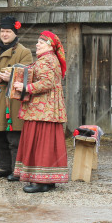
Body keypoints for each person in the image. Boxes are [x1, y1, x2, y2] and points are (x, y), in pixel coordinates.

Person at [12, 30, 68, 193]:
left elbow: (47, 83)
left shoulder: (45, 60)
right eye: (37, 42)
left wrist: (26, 87)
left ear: (49, 45)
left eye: (41, 42)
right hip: (49, 109)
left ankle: (41, 181)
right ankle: (47, 180)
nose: (37, 44)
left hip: (42, 110)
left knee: (40, 143)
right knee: (48, 143)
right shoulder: (52, 59)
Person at [0, 15, 33, 181]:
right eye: (3, 31)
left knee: (14, 137)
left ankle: (16, 170)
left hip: (13, 99)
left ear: (15, 33)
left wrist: (8, 76)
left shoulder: (24, 52)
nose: (4, 34)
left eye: (8, 31)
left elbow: (27, 73)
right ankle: (4, 167)